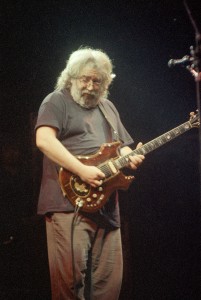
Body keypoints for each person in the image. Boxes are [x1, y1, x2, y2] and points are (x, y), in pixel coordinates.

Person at [35, 47, 145, 300]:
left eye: (97, 81)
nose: (90, 86)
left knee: (108, 286)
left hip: (106, 208)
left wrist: (132, 155)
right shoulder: (56, 101)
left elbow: (121, 147)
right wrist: (82, 170)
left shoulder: (108, 107)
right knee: (70, 287)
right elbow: (43, 140)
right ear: (71, 77)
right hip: (67, 205)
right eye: (84, 79)